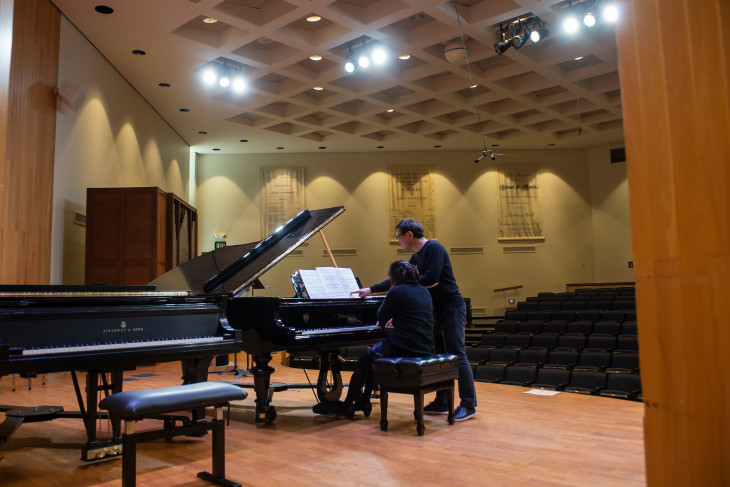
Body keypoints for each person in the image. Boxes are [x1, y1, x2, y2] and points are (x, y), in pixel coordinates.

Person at [356, 218, 477, 421]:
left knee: (457, 353)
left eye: (398, 236)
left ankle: (468, 404)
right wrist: (371, 289)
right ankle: (443, 401)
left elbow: (432, 278)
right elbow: (398, 278)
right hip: (436, 309)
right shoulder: (416, 256)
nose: (398, 241)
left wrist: (401, 286)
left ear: (409, 235)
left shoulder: (434, 248)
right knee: (439, 352)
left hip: (451, 306)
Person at [313, 260, 433, 418]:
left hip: (404, 345)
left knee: (364, 361)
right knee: (373, 358)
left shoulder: (396, 291)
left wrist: (384, 321)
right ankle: (364, 401)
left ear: (393, 277)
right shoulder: (424, 291)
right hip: (423, 346)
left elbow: (381, 318)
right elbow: (411, 315)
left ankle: (347, 405)